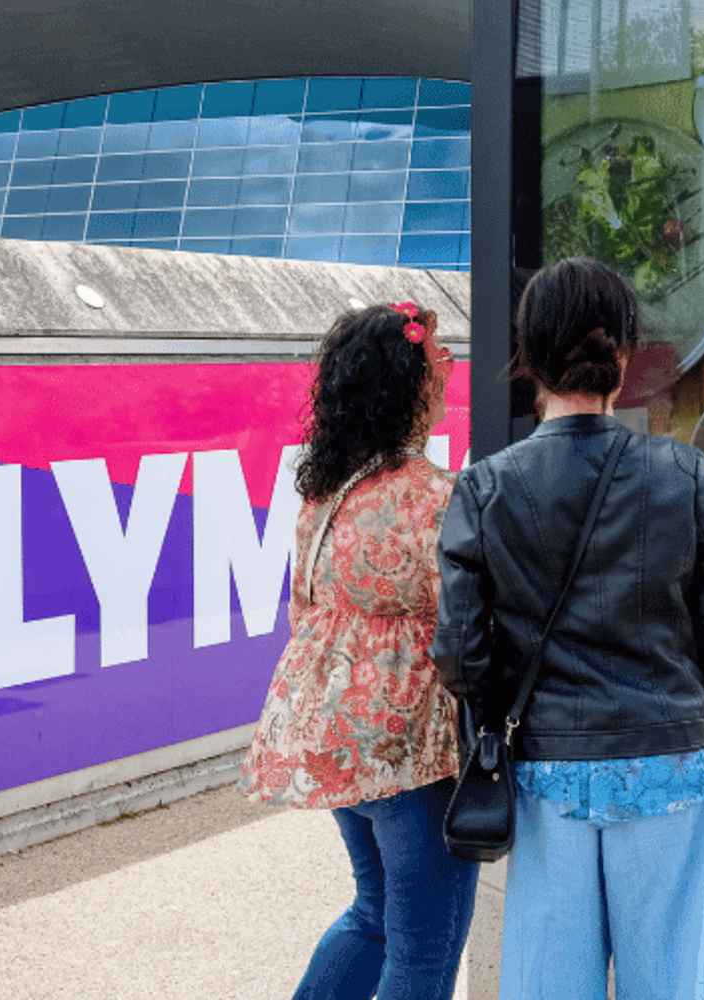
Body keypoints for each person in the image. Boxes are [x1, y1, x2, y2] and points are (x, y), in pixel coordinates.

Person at [432, 257, 704, 1000]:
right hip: (674, 759)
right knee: (673, 980)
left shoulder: (484, 489)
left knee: (549, 983)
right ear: (625, 357)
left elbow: (457, 650)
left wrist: (506, 721)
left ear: (528, 360)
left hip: (548, 770)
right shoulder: (686, 474)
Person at [242, 300, 475, 1000]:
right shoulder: (437, 497)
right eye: (439, 361)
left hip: (338, 746)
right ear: (408, 384)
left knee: (372, 917)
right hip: (409, 757)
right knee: (424, 951)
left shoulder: (325, 491)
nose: (451, 369)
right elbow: (469, 624)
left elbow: (301, 610)